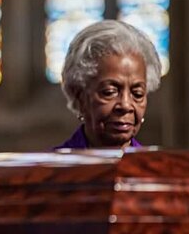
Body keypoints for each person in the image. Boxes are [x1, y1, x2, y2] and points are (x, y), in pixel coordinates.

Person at [54, 20, 162, 149]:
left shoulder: (162, 168)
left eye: (137, 94)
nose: (126, 105)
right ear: (80, 98)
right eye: (109, 92)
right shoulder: (47, 168)